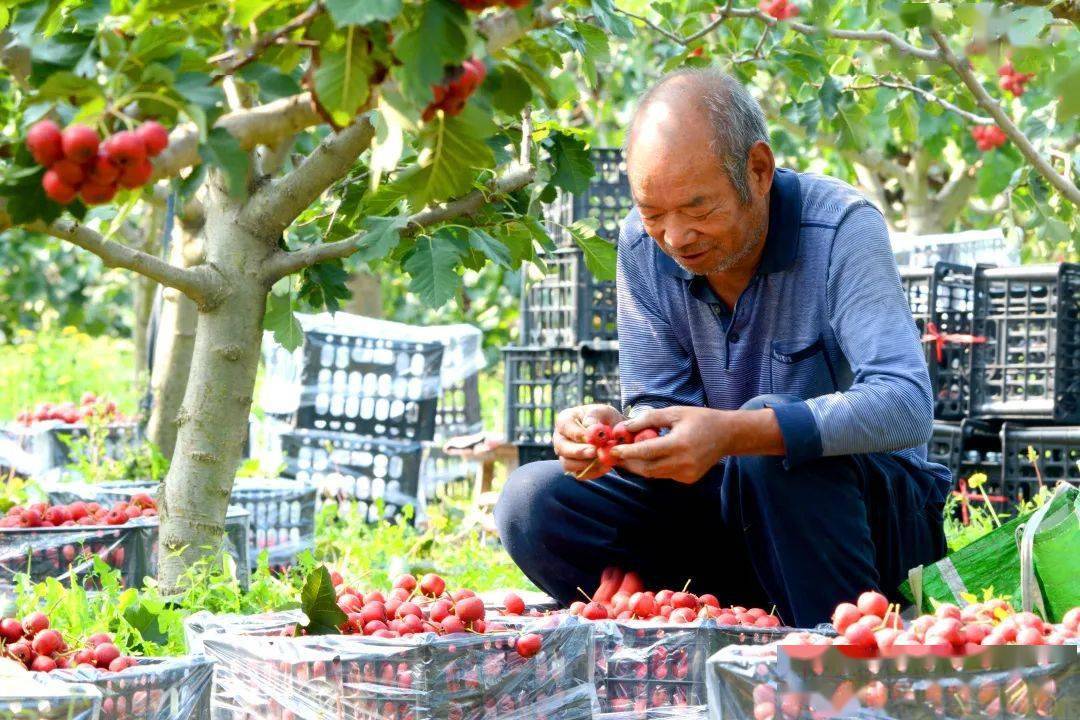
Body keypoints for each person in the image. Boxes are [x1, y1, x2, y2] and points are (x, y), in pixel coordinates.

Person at [494, 68, 950, 627]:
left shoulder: (840, 228)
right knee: (534, 502)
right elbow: (658, 402)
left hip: (861, 528)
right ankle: (699, 616)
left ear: (758, 171)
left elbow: (905, 405)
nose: (676, 237)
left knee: (772, 443)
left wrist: (739, 432)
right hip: (732, 520)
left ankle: (835, 655)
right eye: (653, 213)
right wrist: (620, 436)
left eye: (698, 209)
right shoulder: (643, 247)